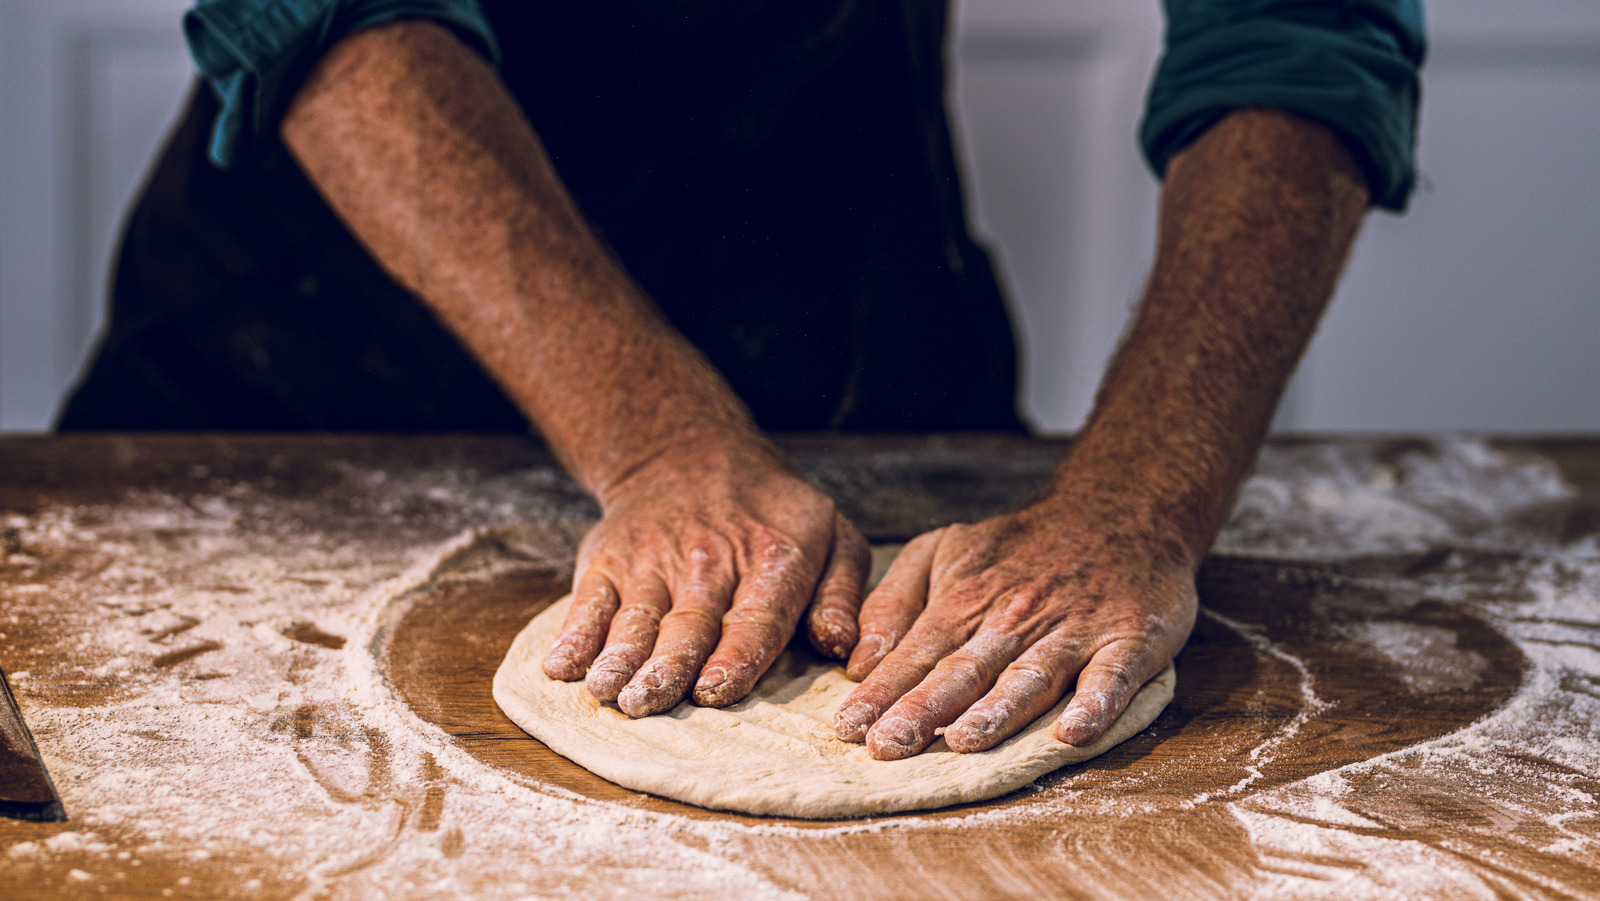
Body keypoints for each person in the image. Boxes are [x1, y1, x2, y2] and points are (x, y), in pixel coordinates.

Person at [59, 2, 1424, 760]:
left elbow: (1300, 29)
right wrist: (652, 438)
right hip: (311, 352)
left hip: (846, 309)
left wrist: (1140, 502)